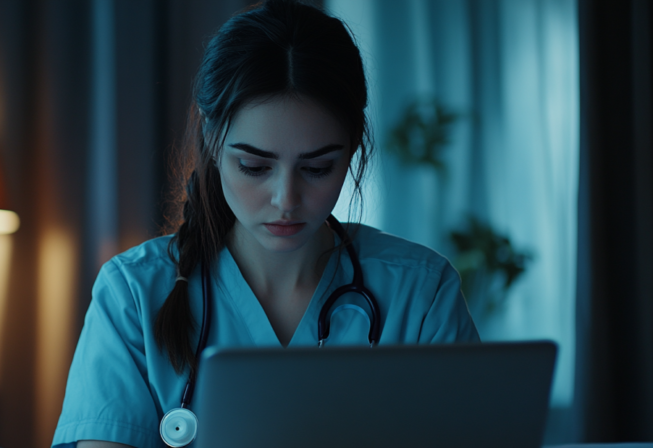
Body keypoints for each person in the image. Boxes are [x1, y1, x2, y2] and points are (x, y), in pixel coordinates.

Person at [52, 1, 479, 447]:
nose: (286, 200)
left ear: (352, 150)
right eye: (254, 167)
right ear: (212, 144)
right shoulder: (133, 297)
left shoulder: (422, 295)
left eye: (317, 169)